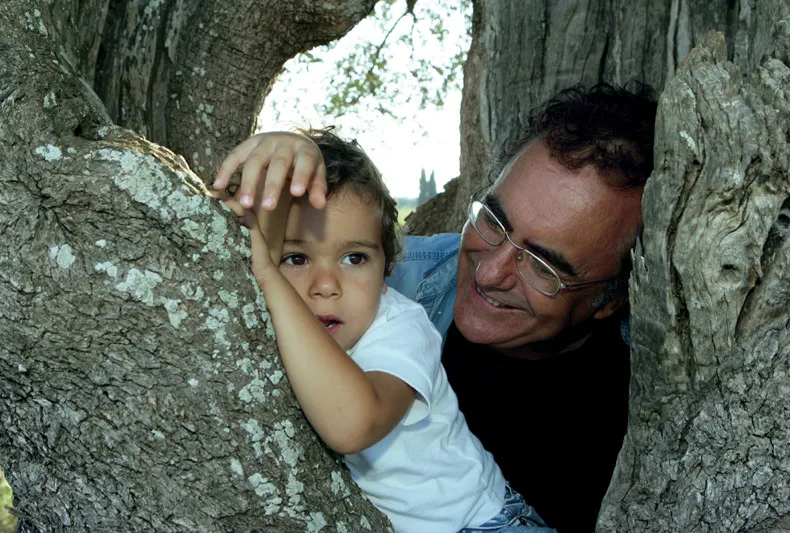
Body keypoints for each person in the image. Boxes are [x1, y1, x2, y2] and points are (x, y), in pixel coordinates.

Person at [215, 81, 658, 532]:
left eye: (544, 266)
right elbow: (241, 256)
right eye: (493, 220)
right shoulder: (397, 276)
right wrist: (285, 153)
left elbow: (352, 422)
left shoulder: (648, 389)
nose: (489, 274)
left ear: (613, 298)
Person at [212, 128, 555, 533]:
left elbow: (353, 424)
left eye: (354, 257)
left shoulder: (401, 328)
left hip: (483, 524)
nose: (326, 284)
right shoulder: (268, 319)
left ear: (385, 272)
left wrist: (272, 274)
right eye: (296, 257)